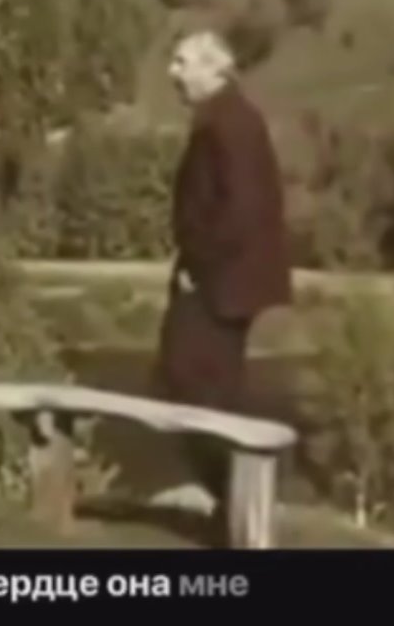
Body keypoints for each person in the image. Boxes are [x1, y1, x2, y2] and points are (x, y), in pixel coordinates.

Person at [157, 30, 292, 547]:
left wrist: (199, 264)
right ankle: (232, 506)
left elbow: (242, 210)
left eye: (182, 62)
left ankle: (238, 503)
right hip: (222, 279)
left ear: (216, 69)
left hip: (222, 282)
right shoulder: (226, 119)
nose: (172, 72)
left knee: (192, 384)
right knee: (204, 388)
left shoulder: (230, 124)